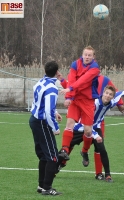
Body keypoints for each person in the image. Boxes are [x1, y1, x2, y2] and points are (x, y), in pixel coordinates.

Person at [57, 74, 124, 180]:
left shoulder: (111, 101)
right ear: (102, 93)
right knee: (67, 146)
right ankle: (57, 166)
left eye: (110, 94)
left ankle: (105, 174)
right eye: (106, 93)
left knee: (101, 149)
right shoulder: (94, 103)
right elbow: (71, 86)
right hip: (82, 125)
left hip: (96, 126)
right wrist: (62, 81)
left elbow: (119, 93)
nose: (107, 96)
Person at [59, 45, 100, 161]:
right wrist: (69, 97)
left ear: (93, 57)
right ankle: (64, 150)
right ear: (82, 55)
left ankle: (84, 151)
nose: (87, 57)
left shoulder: (95, 68)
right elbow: (71, 79)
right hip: (76, 100)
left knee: (88, 131)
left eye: (89, 55)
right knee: (69, 123)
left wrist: (70, 89)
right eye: (85, 54)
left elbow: (83, 81)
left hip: (87, 101)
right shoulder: (75, 64)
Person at [29, 61, 63, 196]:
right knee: (53, 157)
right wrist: (55, 127)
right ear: (56, 72)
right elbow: (48, 111)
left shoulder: (40, 82)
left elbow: (39, 102)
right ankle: (47, 188)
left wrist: (55, 113)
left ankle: (41, 186)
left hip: (34, 120)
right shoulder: (52, 88)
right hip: (43, 122)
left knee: (44, 156)